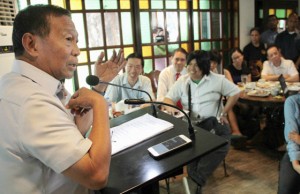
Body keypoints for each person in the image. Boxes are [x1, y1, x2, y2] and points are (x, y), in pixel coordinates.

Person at [0, 4, 126, 194]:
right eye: (69, 40)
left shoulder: (23, 83)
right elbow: (96, 176)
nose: (77, 51)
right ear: (32, 44)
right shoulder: (32, 102)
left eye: (76, 41)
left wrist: (99, 88)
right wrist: (100, 103)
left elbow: (73, 132)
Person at [163, 50, 240, 193]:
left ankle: (194, 179)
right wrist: (173, 110)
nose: (192, 68)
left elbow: (235, 92)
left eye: (197, 65)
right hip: (191, 126)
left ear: (205, 66)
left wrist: (224, 112)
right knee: (192, 150)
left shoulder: (218, 80)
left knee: (224, 141)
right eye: (190, 64)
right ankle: (196, 181)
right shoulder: (183, 81)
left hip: (213, 125)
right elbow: (168, 99)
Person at [278, 94, 300, 194]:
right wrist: (296, 164)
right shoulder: (293, 102)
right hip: (297, 153)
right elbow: (292, 138)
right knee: (285, 190)